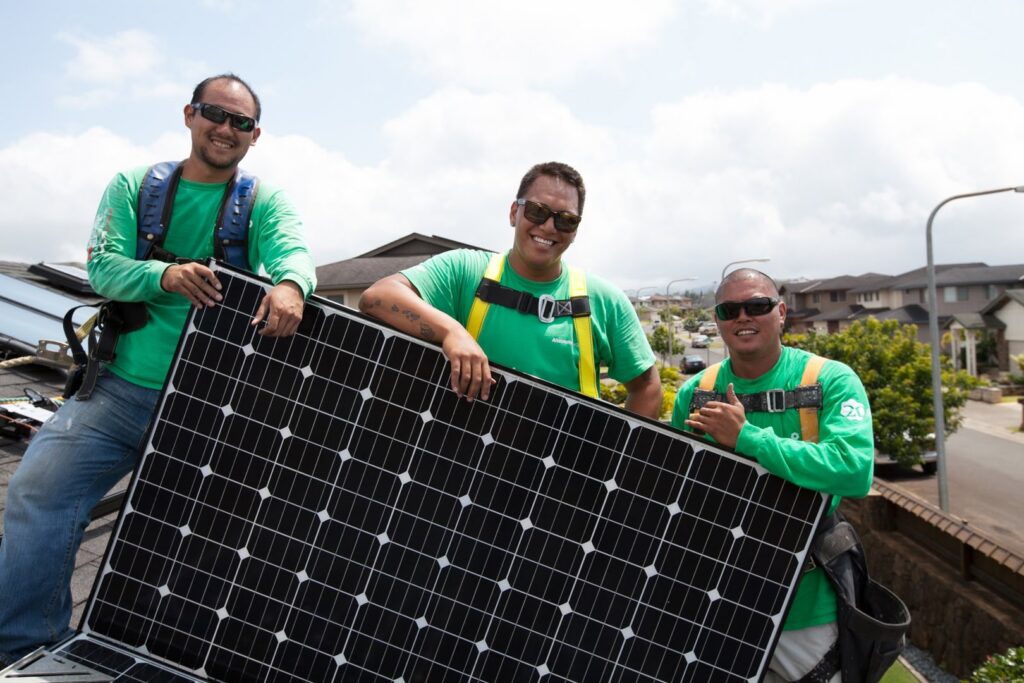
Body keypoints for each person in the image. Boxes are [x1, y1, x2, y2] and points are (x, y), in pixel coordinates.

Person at [0, 73, 317, 664]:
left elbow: (293, 250)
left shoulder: (262, 203)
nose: (225, 129)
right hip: (119, 390)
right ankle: (24, 645)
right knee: (37, 492)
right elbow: (105, 270)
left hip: (212, 404)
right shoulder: (133, 186)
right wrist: (164, 275)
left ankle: (179, 656)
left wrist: (293, 285)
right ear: (189, 115)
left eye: (240, 123)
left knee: (209, 536)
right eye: (213, 114)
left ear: (255, 136)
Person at [671, 268, 874, 683]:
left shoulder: (829, 380)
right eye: (730, 310)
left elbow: (854, 470)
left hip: (805, 605)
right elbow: (676, 491)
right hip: (717, 598)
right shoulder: (695, 393)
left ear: (781, 312)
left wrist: (748, 439)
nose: (743, 317)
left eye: (757, 306)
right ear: (718, 321)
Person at [359, 161, 662, 417]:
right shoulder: (465, 271)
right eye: (538, 212)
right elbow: (378, 297)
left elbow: (646, 386)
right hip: (468, 466)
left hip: (567, 477)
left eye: (566, 220)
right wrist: (453, 333)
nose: (548, 227)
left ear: (576, 230)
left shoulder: (604, 300)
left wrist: (618, 462)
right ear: (514, 212)